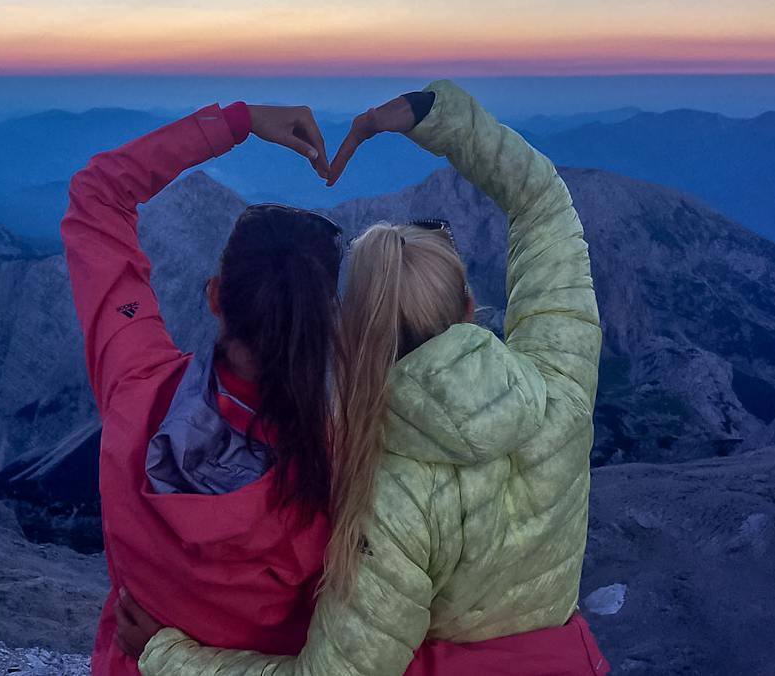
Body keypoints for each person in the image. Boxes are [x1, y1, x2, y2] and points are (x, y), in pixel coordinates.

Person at [117, 80, 611, 675]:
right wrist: (431, 114)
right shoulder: (562, 383)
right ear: (468, 307)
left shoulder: (390, 497)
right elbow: (543, 204)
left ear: (352, 342)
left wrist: (164, 654)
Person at [61, 100, 348, 675]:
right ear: (326, 324)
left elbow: (98, 193)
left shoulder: (135, 388)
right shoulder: (343, 471)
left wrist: (237, 123)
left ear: (215, 295)